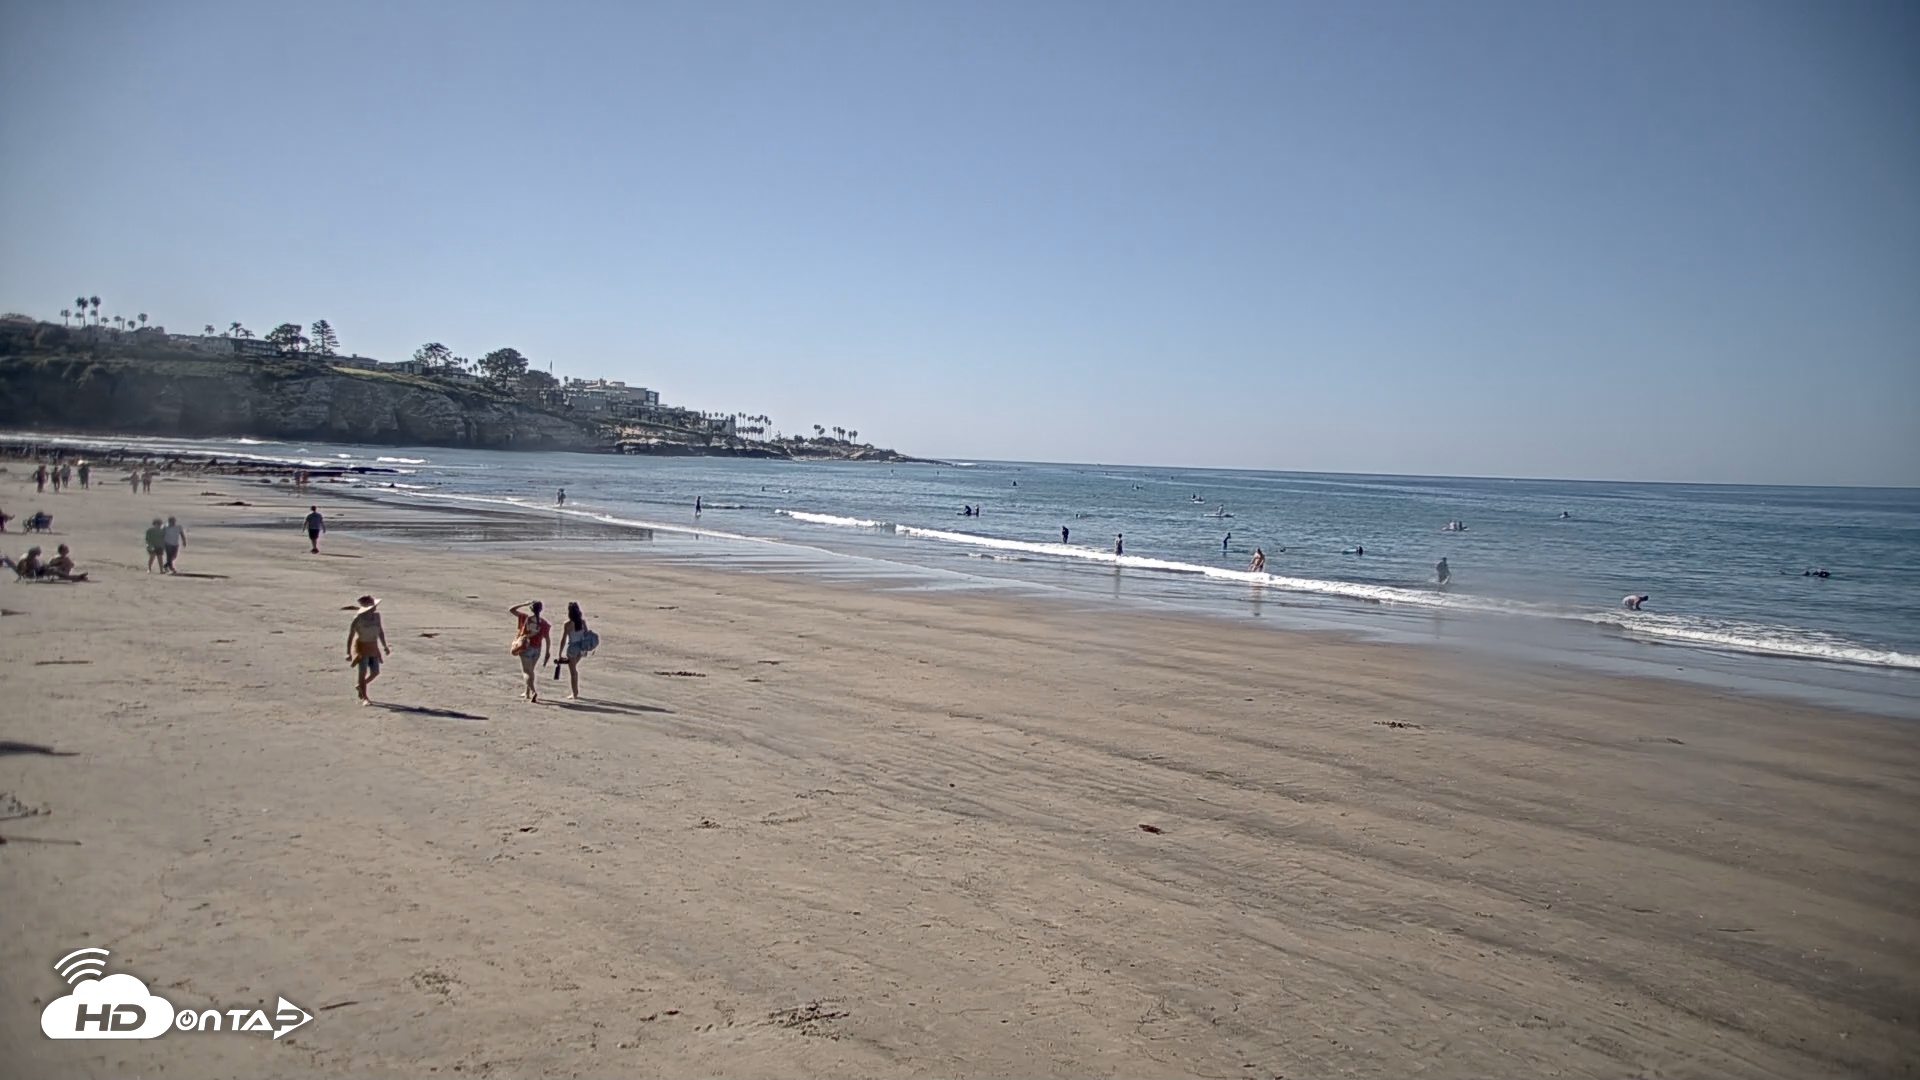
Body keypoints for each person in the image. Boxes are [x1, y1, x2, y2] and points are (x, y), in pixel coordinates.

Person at [346, 595, 390, 704]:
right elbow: (351, 636)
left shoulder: (377, 616)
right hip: (362, 647)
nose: (375, 608)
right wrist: (348, 653)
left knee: (375, 672)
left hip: (373, 646)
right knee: (363, 672)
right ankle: (365, 697)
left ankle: (360, 686)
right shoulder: (358, 619)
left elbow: (380, 631)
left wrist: (385, 646)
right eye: (373, 606)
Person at [509, 600, 551, 703]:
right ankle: (527, 693)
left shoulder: (525, 618)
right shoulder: (544, 623)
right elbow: (547, 639)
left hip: (526, 647)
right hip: (537, 649)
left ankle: (533, 692)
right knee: (531, 671)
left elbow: (512, 610)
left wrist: (525, 604)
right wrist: (547, 652)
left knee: (526, 672)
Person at [553, 601, 595, 699]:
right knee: (574, 668)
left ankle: (574, 693)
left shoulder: (567, 624)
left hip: (572, 648)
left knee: (573, 671)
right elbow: (586, 635)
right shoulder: (582, 622)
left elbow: (563, 639)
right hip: (581, 647)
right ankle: (575, 692)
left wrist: (559, 653)